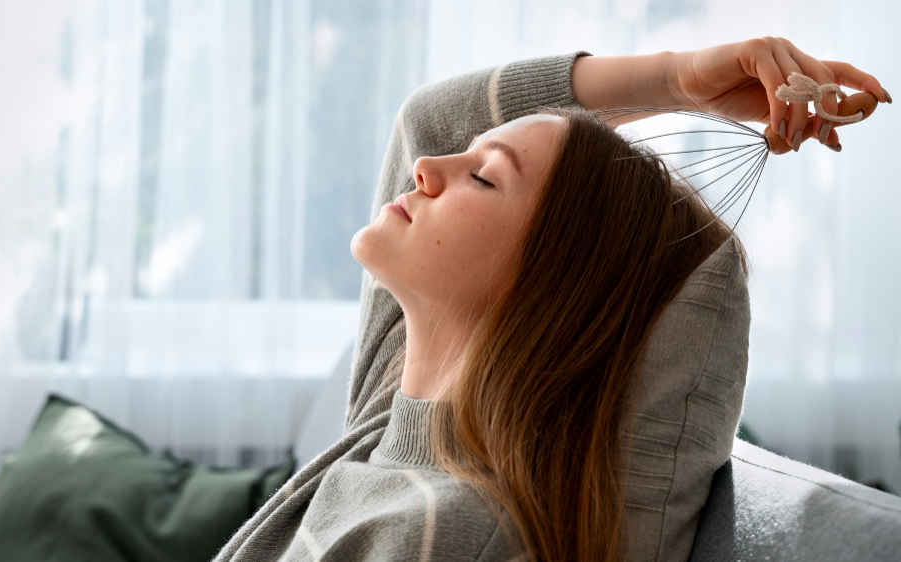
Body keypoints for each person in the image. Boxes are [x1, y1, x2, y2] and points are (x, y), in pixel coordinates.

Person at [212, 38, 888, 562]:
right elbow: (433, 119)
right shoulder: (390, 425)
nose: (429, 166)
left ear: (550, 279)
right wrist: (683, 79)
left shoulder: (447, 535)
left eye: (481, 175)